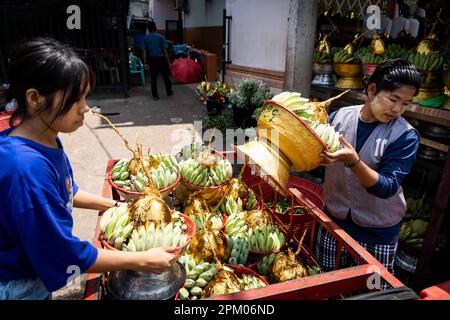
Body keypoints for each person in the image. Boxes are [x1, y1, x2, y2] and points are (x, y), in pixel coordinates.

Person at [0, 38, 180, 300]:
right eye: (76, 98)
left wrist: (115, 206)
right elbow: (65, 256)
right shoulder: (26, 170)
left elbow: (67, 191)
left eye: (85, 96)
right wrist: (141, 260)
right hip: (18, 287)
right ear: (35, 98)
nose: (86, 108)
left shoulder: (44, 138)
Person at [316, 59, 422, 290]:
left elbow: (387, 187)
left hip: (376, 233)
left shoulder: (405, 136)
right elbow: (316, 157)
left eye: (405, 104)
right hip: (334, 222)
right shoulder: (338, 118)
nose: (397, 110)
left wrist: (354, 162)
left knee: (371, 293)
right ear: (372, 90)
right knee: (326, 286)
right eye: (393, 99)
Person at [142, 20, 173, 101]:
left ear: (148, 29)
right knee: (165, 76)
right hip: (162, 59)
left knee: (153, 78)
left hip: (152, 60)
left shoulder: (146, 38)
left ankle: (155, 96)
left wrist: (145, 63)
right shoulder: (161, 37)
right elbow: (165, 51)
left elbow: (145, 52)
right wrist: (169, 62)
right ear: (155, 27)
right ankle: (169, 91)